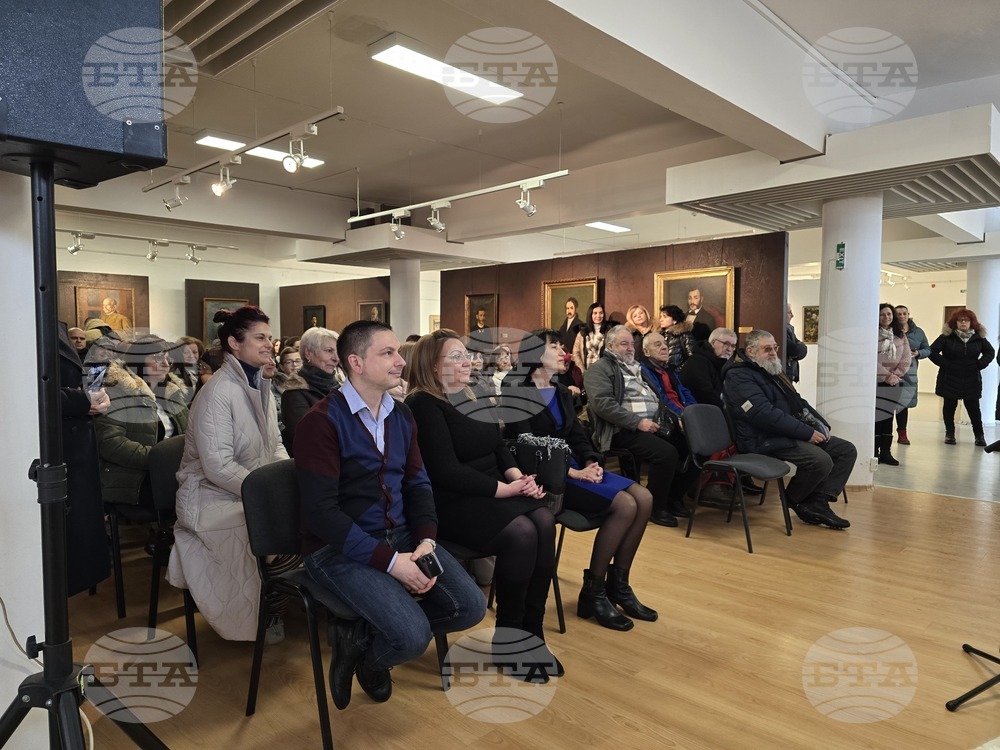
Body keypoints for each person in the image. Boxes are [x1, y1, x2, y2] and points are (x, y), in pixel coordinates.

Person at [294, 320, 485, 709]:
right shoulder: (321, 421)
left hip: (399, 536)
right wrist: (392, 564)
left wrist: (426, 540)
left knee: (469, 607)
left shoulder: (400, 415)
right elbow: (321, 514)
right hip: (336, 549)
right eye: (388, 353)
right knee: (412, 637)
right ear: (356, 363)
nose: (401, 361)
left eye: (398, 351)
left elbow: (418, 484)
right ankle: (374, 660)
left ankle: (363, 641)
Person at [405, 329, 562, 682]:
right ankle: (509, 637)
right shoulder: (423, 404)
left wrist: (520, 477)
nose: (467, 362)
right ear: (433, 364)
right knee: (522, 532)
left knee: (544, 521)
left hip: (495, 488)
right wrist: (508, 490)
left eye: (466, 355)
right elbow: (445, 471)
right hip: (455, 501)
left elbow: (499, 446)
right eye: (455, 357)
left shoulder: (473, 392)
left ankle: (532, 631)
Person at [503, 330, 656, 631]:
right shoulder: (515, 389)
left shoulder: (560, 389)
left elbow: (576, 435)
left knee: (645, 498)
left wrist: (590, 461)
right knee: (625, 505)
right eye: (555, 347)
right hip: (545, 477)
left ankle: (619, 586)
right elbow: (523, 446)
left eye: (562, 346)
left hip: (573, 466)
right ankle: (594, 591)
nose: (564, 352)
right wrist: (572, 472)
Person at [167, 306, 294, 644]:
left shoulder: (259, 384)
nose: (270, 344)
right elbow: (218, 467)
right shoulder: (218, 393)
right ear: (234, 344)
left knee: (308, 516)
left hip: (249, 487)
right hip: (210, 496)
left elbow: (275, 444)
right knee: (272, 532)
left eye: (270, 337)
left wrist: (289, 482)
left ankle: (281, 601)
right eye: (260, 338)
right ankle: (268, 611)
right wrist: (267, 497)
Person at [722, 330, 854, 530]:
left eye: (774, 348)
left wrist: (820, 423)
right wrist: (807, 433)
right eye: (767, 349)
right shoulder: (738, 375)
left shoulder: (769, 370)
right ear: (750, 351)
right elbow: (763, 414)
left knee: (845, 450)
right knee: (820, 459)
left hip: (783, 433)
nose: (773, 353)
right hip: (761, 438)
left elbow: (797, 401)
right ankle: (793, 498)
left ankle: (816, 502)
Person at [584, 325, 697, 528]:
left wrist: (674, 418)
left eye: (631, 344)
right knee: (666, 453)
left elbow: (660, 398)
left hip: (655, 424)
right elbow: (602, 404)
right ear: (610, 346)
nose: (629, 348)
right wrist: (637, 422)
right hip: (622, 429)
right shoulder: (599, 369)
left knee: (695, 446)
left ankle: (674, 497)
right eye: (624, 344)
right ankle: (655, 507)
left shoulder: (636, 367)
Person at [95, 335, 190, 509]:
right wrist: (159, 459)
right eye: (157, 357)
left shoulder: (172, 394)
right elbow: (110, 443)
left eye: (168, 358)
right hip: (134, 477)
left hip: (175, 470)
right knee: (188, 496)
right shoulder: (117, 393)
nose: (166, 363)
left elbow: (190, 432)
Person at [58, 321, 112, 597]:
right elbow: (31, 389)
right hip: (56, 449)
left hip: (74, 447)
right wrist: (82, 401)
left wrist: (95, 398)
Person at [929, 308, 995, 446]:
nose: (963, 323)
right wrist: (946, 364)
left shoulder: (978, 338)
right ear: (955, 322)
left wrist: (980, 364)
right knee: (949, 407)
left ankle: (979, 436)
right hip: (950, 377)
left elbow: (990, 352)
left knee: (974, 409)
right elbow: (932, 351)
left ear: (972, 322)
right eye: (960, 320)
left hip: (971, 377)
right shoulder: (947, 337)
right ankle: (950, 434)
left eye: (966, 320)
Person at [281, 326, 341, 453]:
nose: (336, 358)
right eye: (329, 351)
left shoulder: (339, 387)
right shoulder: (294, 392)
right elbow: (309, 439)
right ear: (308, 353)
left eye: (337, 351)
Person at [875, 303, 912, 466]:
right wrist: (886, 376)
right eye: (883, 314)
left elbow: (906, 358)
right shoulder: (872, 334)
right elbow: (870, 358)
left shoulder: (900, 335)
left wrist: (896, 376)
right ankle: (874, 451)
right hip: (876, 382)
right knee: (877, 418)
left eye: (889, 314)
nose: (886, 317)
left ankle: (886, 452)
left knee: (888, 417)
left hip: (895, 382)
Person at [893, 305, 930, 446]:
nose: (902, 316)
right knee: (888, 404)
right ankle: (885, 436)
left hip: (909, 373)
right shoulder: (890, 331)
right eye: (899, 314)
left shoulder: (918, 332)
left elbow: (927, 349)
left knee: (903, 404)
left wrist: (919, 353)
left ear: (909, 314)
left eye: (904, 313)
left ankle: (902, 433)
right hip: (891, 371)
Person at [680, 327, 738, 409]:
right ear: (713, 342)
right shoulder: (697, 362)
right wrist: (727, 410)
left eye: (733, 346)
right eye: (726, 344)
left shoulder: (723, 364)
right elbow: (705, 394)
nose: (729, 349)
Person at [572, 301, 610, 374]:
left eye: (601, 313)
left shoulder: (609, 332)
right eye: (595, 313)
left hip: (603, 373)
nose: (598, 316)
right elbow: (575, 353)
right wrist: (583, 371)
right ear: (590, 315)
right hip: (587, 372)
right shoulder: (582, 333)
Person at [657, 304, 695, 371]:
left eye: (664, 317)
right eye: (660, 317)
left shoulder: (684, 335)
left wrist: (677, 371)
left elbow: (692, 358)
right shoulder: (660, 335)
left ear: (674, 320)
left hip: (679, 376)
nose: (661, 320)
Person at [785, 304, 808, 382]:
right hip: (785, 373)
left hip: (789, 373)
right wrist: (800, 346)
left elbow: (800, 349)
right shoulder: (782, 330)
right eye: (789, 312)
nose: (792, 315)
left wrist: (801, 346)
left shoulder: (789, 329)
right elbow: (795, 349)